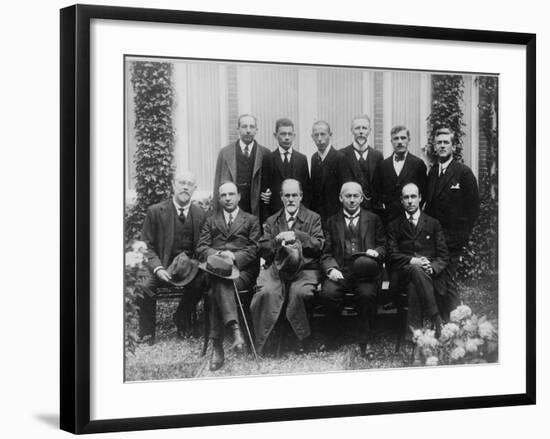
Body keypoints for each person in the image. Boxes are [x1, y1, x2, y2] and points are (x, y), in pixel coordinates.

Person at [251, 179, 324, 354]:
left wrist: (297, 235)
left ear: (301, 196)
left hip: (304, 269)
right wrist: (276, 240)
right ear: (281, 198)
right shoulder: (272, 220)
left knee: (299, 293)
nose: (291, 200)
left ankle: (301, 337)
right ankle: (267, 337)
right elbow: (263, 249)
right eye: (287, 196)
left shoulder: (313, 218)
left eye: (294, 195)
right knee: (265, 292)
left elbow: (319, 245)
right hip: (278, 269)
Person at [196, 181, 261, 371]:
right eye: (224, 195)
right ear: (219, 198)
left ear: (238, 196)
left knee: (217, 287)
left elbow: (255, 248)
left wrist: (233, 257)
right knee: (219, 277)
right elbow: (201, 247)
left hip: (242, 271)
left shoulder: (251, 220)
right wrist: (216, 256)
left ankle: (218, 346)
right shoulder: (211, 220)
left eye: (231, 194)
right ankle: (235, 330)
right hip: (215, 268)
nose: (228, 198)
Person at [138, 171, 207, 342]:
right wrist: (158, 268)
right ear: (173, 186)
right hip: (163, 267)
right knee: (145, 285)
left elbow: (204, 246)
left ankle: (182, 316)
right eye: (182, 183)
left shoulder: (201, 214)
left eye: (190, 184)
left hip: (189, 270)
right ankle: (147, 332)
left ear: (195, 189)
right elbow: (146, 246)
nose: (185, 187)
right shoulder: (155, 212)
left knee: (204, 280)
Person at [320, 182, 386, 355]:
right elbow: (325, 253)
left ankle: (365, 340)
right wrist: (331, 269)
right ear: (340, 198)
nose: (351, 200)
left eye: (356, 196)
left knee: (367, 294)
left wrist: (376, 253)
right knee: (328, 293)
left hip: (365, 272)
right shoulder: (331, 221)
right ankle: (334, 337)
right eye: (347, 196)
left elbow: (384, 247)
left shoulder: (374, 220)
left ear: (362, 198)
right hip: (341, 270)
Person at [423, 127, 480, 319]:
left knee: (448, 279)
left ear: (453, 146)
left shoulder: (463, 173)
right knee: (439, 280)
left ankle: (456, 321)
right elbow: (429, 207)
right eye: (438, 142)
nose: (442, 146)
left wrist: (461, 236)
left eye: (446, 142)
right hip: (434, 239)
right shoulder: (432, 173)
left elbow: (473, 209)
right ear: (434, 146)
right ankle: (443, 321)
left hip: (453, 240)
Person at [387, 183, 449, 337]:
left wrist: (432, 267)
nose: (410, 201)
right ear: (401, 200)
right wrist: (414, 261)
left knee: (414, 286)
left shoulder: (433, 223)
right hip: (403, 273)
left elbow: (443, 255)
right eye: (406, 197)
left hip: (428, 275)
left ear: (420, 198)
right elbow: (392, 255)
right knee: (415, 269)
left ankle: (415, 337)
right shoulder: (394, 225)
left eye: (413, 196)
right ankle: (436, 318)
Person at [213, 114, 271, 219]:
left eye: (252, 127)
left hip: (256, 209)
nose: (248, 130)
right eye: (244, 126)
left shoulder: (265, 153)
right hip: (232, 208)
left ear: (256, 130)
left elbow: (270, 185)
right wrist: (217, 215)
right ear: (238, 129)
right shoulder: (225, 153)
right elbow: (217, 185)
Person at [373, 125, 427, 224]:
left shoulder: (418, 164)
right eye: (396, 138)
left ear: (409, 140)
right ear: (391, 141)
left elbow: (423, 193)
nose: (399, 142)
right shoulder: (383, 165)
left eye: (403, 138)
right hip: (388, 220)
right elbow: (377, 192)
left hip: (411, 220)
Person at [260, 118, 311, 217]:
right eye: (283, 134)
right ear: (275, 135)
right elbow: (265, 193)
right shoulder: (268, 159)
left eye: (289, 134)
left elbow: (307, 191)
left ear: (294, 136)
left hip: (298, 213)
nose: (287, 137)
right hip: (275, 214)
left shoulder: (302, 159)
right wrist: (266, 219)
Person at [309, 120, 349, 224]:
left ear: (330, 135)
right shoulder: (314, 158)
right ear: (312, 137)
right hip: (318, 216)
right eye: (316, 135)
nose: (319, 139)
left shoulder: (340, 158)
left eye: (323, 134)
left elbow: (345, 190)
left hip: (335, 215)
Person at [340, 115, 383, 211]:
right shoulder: (342, 155)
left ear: (369, 131)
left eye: (364, 128)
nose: (361, 132)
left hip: (372, 210)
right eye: (357, 128)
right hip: (349, 208)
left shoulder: (378, 156)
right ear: (351, 130)